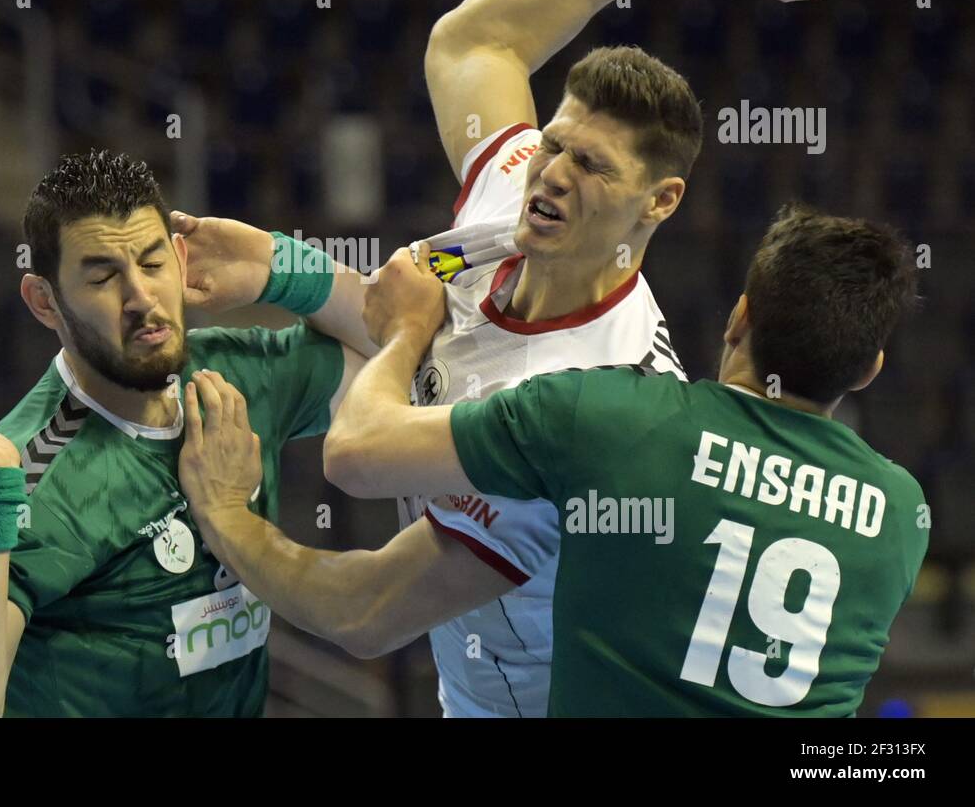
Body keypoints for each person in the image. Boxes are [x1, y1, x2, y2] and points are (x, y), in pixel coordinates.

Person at [174, 0, 822, 716]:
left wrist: (225, 514)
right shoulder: (519, 198)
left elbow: (364, 609)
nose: (551, 173)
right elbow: (475, 41)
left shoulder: (589, 408)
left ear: (659, 201)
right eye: (554, 142)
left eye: (590, 165)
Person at [179, 204, 928, 716]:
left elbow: (362, 470)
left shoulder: (610, 418)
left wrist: (221, 514)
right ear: (871, 369)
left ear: (739, 316)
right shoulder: (901, 517)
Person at [0, 151, 365, 717]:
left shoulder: (233, 376)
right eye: (103, 276)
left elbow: (411, 359)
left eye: (152, 263)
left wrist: (277, 265)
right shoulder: (24, 480)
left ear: (181, 258)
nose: (141, 297)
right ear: (45, 302)